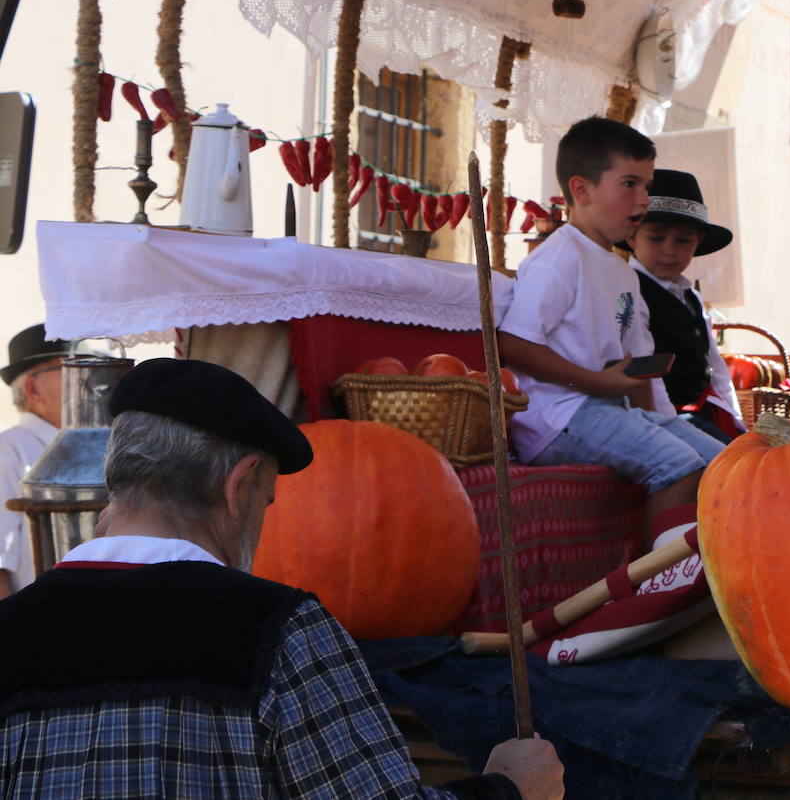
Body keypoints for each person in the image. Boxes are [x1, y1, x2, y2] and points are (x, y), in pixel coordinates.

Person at [0, 358, 564, 799]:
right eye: (267, 500)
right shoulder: (280, 629)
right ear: (240, 485)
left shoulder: (12, 628)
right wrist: (511, 789)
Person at [497, 118, 724, 546]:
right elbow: (512, 343)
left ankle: (699, 577)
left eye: (647, 185)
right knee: (678, 467)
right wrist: (597, 382)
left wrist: (663, 422)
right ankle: (650, 583)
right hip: (557, 416)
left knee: (726, 466)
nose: (644, 199)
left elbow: (638, 369)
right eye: (630, 184)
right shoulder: (559, 258)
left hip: (607, 410)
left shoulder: (622, 273)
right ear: (582, 191)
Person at [620, 169, 744, 444]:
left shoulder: (692, 298)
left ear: (697, 242)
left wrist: (736, 421)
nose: (669, 250)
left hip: (704, 414)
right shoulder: (628, 292)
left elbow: (715, 366)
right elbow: (642, 372)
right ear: (631, 237)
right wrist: (669, 426)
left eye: (683, 240)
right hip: (662, 417)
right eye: (656, 237)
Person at [0, 324, 71, 597]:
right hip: (34, 626)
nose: (91, 380)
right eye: (71, 369)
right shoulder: (10, 448)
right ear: (33, 388)